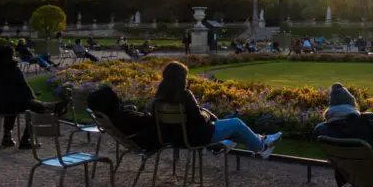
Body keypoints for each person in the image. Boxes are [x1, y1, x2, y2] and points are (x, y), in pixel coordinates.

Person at [149, 61, 280, 157]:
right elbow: (199, 120)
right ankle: (262, 147)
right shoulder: (185, 95)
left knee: (235, 130)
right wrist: (206, 114)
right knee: (236, 123)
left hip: (173, 139)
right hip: (196, 138)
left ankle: (261, 139)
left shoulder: (159, 98)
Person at [0, 46, 68, 148]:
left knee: (11, 101)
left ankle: (7, 136)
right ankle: (26, 139)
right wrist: (32, 97)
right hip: (6, 105)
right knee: (31, 105)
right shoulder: (12, 68)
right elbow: (25, 89)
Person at [86, 85, 162, 152]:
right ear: (112, 102)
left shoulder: (110, 117)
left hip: (135, 137)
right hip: (147, 141)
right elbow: (152, 121)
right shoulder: (125, 117)